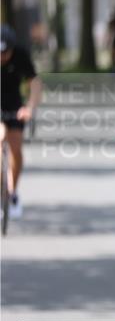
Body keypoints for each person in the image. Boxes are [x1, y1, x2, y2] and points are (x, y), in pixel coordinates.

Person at [1, 25, 42, 219]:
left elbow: (34, 83)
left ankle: (12, 190)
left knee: (16, 147)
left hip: (14, 106)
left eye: (5, 53)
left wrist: (30, 108)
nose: (2, 58)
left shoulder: (20, 55)